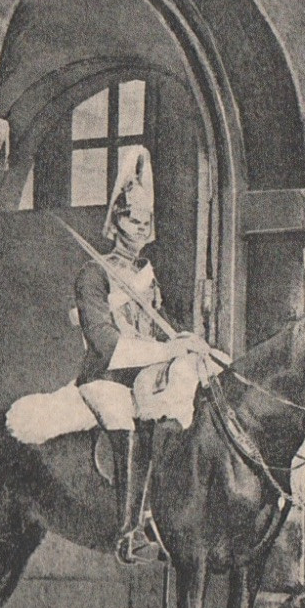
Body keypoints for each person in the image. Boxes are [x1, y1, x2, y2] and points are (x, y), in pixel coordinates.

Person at [73, 148, 214, 565]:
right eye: (134, 220)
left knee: (180, 411)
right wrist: (165, 350)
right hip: (105, 376)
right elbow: (104, 342)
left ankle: (169, 515)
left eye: (147, 222)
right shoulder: (93, 274)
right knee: (126, 424)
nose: (141, 229)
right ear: (115, 222)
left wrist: (183, 339)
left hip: (146, 371)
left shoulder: (147, 276)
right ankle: (129, 532)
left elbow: (160, 323)